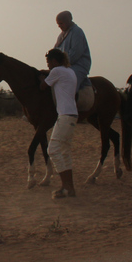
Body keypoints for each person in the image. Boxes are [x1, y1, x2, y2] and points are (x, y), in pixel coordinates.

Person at [40, 48, 78, 198]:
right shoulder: (71, 71)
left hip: (65, 115)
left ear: (54, 61)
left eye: (48, 62)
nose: (48, 65)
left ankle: (65, 187)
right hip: (73, 115)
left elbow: (43, 86)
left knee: (53, 150)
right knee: (65, 152)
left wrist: (41, 78)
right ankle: (70, 188)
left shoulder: (56, 72)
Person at [53, 11, 93, 109]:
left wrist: (62, 66)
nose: (59, 26)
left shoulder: (77, 32)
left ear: (68, 21)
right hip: (63, 66)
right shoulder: (61, 36)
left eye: (61, 23)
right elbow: (55, 51)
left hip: (78, 65)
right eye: (58, 24)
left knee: (66, 82)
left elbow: (76, 53)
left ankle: (69, 109)